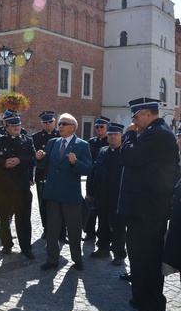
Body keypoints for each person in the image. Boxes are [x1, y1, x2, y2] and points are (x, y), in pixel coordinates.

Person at [118, 97, 180, 311]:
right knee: (141, 259)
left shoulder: (157, 134)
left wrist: (129, 134)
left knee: (146, 262)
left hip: (146, 211)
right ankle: (144, 302)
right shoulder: (157, 133)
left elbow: (129, 157)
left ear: (146, 114)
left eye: (135, 117)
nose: (133, 122)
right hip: (144, 210)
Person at [36, 113, 92, 271]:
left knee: (74, 230)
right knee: (52, 230)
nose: (60, 126)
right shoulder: (52, 143)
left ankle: (77, 259)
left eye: (64, 124)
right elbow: (42, 166)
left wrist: (76, 163)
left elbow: (88, 169)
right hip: (53, 193)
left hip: (70, 195)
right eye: (60, 123)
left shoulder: (82, 145)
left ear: (73, 127)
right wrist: (39, 158)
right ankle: (52, 259)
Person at [0, 111, 36, 259]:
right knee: (3, 217)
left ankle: (26, 247)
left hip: (21, 188)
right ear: (5, 126)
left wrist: (20, 160)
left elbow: (33, 159)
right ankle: (6, 245)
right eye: (13, 125)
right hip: (2, 187)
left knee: (23, 218)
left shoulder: (27, 141)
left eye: (18, 124)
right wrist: (3, 163)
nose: (16, 127)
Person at [86, 122, 126, 265]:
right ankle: (103, 248)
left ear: (122, 136)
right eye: (110, 134)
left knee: (118, 228)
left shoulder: (125, 153)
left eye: (115, 134)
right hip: (101, 196)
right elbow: (94, 171)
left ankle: (119, 254)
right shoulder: (102, 151)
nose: (112, 137)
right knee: (102, 224)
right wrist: (90, 191)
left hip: (118, 197)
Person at [31, 111, 60, 238]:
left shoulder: (61, 135)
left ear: (54, 121)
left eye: (50, 121)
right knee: (43, 203)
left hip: (58, 175)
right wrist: (29, 176)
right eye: (45, 122)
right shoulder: (36, 137)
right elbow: (32, 158)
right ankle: (46, 228)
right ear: (41, 123)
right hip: (42, 174)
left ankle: (61, 229)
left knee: (59, 203)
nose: (48, 124)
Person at [83, 116, 110, 241]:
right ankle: (90, 232)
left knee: (104, 210)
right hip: (92, 176)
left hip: (105, 179)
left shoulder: (109, 141)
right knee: (90, 206)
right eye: (97, 127)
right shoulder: (91, 142)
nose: (99, 129)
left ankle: (104, 236)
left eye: (101, 127)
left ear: (107, 128)